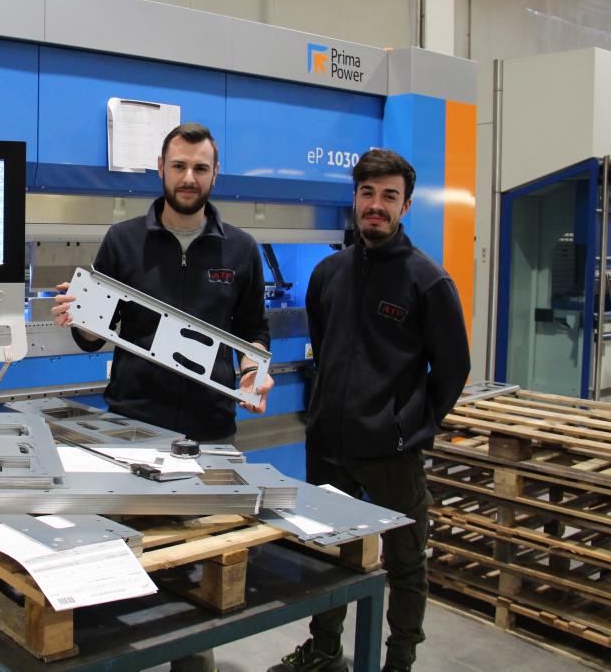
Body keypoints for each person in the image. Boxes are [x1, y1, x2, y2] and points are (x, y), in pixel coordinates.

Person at [52, 122, 273, 672]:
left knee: (199, 570)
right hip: (132, 429)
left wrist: (254, 370)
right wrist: (80, 319)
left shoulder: (241, 249)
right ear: (161, 169)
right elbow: (93, 336)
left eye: (200, 168)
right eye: (179, 166)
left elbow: (253, 330)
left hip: (210, 433)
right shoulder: (123, 241)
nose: (189, 177)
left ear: (215, 174)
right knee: (121, 560)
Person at [269, 149, 469, 672]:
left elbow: (452, 370)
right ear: (355, 198)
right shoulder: (328, 274)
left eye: (389, 196)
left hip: (391, 453)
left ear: (405, 206)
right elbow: (324, 346)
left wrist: (409, 429)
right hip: (329, 445)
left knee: (405, 562)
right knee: (328, 553)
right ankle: (325, 649)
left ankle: (399, 662)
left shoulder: (428, 281)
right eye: (368, 193)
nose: (376, 205)